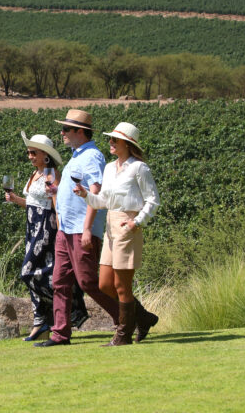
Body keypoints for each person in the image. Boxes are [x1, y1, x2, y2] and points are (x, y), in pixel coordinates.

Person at [35, 109, 120, 347]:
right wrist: (56, 191)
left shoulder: (92, 156)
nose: (61, 133)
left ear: (80, 132)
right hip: (66, 230)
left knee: (88, 282)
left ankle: (127, 317)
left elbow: (95, 190)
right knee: (60, 282)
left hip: (80, 230)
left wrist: (86, 229)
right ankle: (60, 334)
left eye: (66, 129)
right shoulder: (76, 155)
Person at [73, 122, 160, 345]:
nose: (110, 143)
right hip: (111, 224)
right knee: (104, 285)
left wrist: (136, 222)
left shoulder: (139, 168)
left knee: (122, 286)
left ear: (127, 144)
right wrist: (85, 195)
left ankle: (123, 335)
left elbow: (153, 200)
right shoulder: (110, 168)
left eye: (115, 140)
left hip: (127, 224)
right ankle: (144, 318)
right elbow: (103, 201)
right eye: (110, 139)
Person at [5, 132, 89, 341]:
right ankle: (40, 321)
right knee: (38, 273)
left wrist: (61, 229)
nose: (30, 156)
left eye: (34, 152)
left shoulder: (50, 174)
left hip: (45, 227)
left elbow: (55, 203)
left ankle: (63, 309)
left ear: (46, 155)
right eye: (28, 152)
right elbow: (33, 203)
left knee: (28, 272)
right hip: (31, 226)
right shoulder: (35, 174)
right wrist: (16, 199)